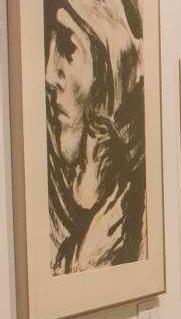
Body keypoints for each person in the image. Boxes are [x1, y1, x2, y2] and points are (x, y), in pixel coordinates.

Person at [46, 0, 147, 275]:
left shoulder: (138, 205)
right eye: (49, 45)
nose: (49, 74)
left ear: (111, 67)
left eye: (68, 48)